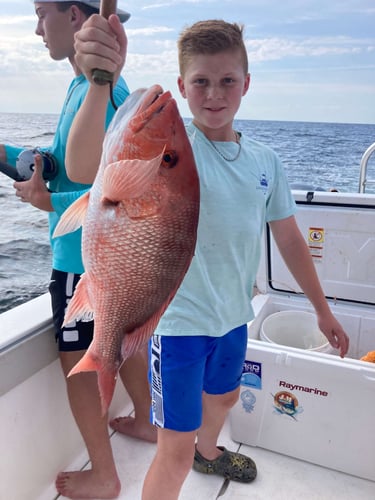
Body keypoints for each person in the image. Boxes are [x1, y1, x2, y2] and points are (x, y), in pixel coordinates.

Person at [68, 17, 350, 500]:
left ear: (246, 84)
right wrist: (101, 75)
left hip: (233, 319)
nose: (214, 94)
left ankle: (210, 449)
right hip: (177, 328)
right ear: (182, 86)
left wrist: (321, 309)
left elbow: (288, 239)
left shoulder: (266, 162)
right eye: (200, 82)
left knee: (225, 397)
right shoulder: (171, 149)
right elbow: (85, 163)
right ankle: (188, 452)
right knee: (171, 451)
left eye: (227, 81)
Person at [0, 2, 156, 499]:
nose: (37, 27)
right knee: (124, 343)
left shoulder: (105, 90)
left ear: (73, 17)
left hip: (82, 262)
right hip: (102, 260)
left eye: (42, 13)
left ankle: (106, 476)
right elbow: (73, 161)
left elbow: (111, 191)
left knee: (78, 368)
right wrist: (36, 163)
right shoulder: (79, 87)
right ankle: (150, 421)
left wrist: (48, 198)